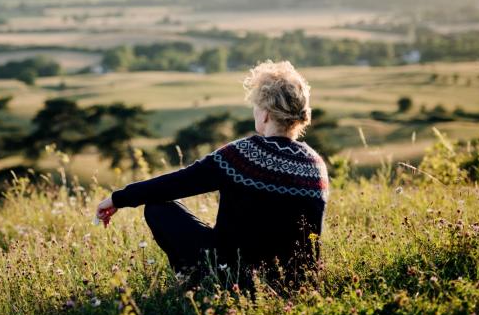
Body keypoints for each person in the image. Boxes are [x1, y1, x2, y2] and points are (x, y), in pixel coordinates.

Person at [95, 59, 329, 291]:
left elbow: (177, 183)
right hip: (297, 285)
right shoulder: (316, 165)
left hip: (232, 276)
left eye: (256, 106)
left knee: (158, 208)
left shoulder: (243, 155)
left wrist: (119, 198)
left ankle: (198, 282)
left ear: (266, 114)